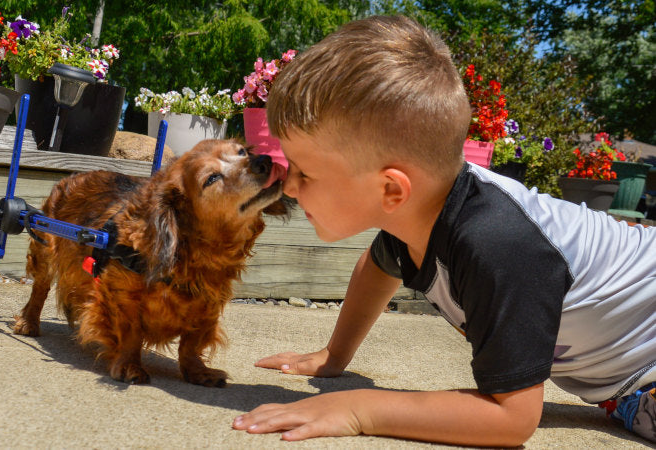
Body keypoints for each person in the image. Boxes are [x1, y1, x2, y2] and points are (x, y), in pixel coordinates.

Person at [230, 15, 656, 446]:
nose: (290, 185)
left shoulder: (498, 244)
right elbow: (377, 265)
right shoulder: (417, 217)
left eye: (306, 172)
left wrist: (358, 408)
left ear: (392, 189)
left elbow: (510, 418)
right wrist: (333, 355)